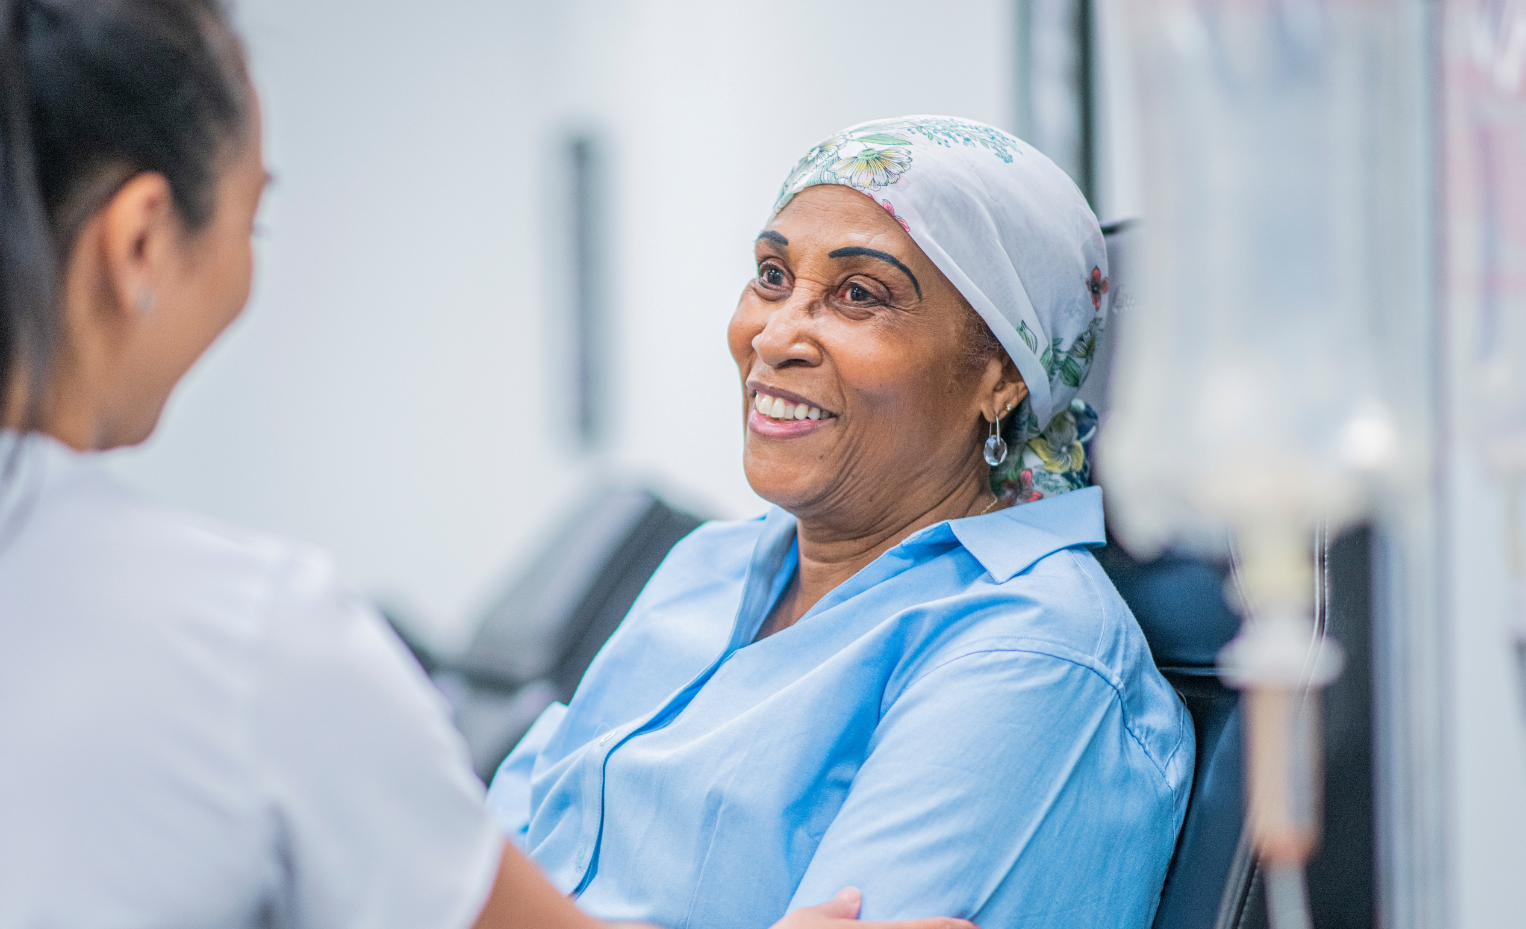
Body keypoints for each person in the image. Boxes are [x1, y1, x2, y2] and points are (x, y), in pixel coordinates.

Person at [0, 0, 975, 929]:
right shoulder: (245, 642)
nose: (782, 333)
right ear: (142, 241)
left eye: (855, 294)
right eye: (251, 220)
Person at [488, 116, 1196, 929]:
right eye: (771, 275)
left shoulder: (1025, 650)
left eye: (860, 295)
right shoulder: (707, 568)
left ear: (1000, 373)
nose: (777, 333)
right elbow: (469, 877)